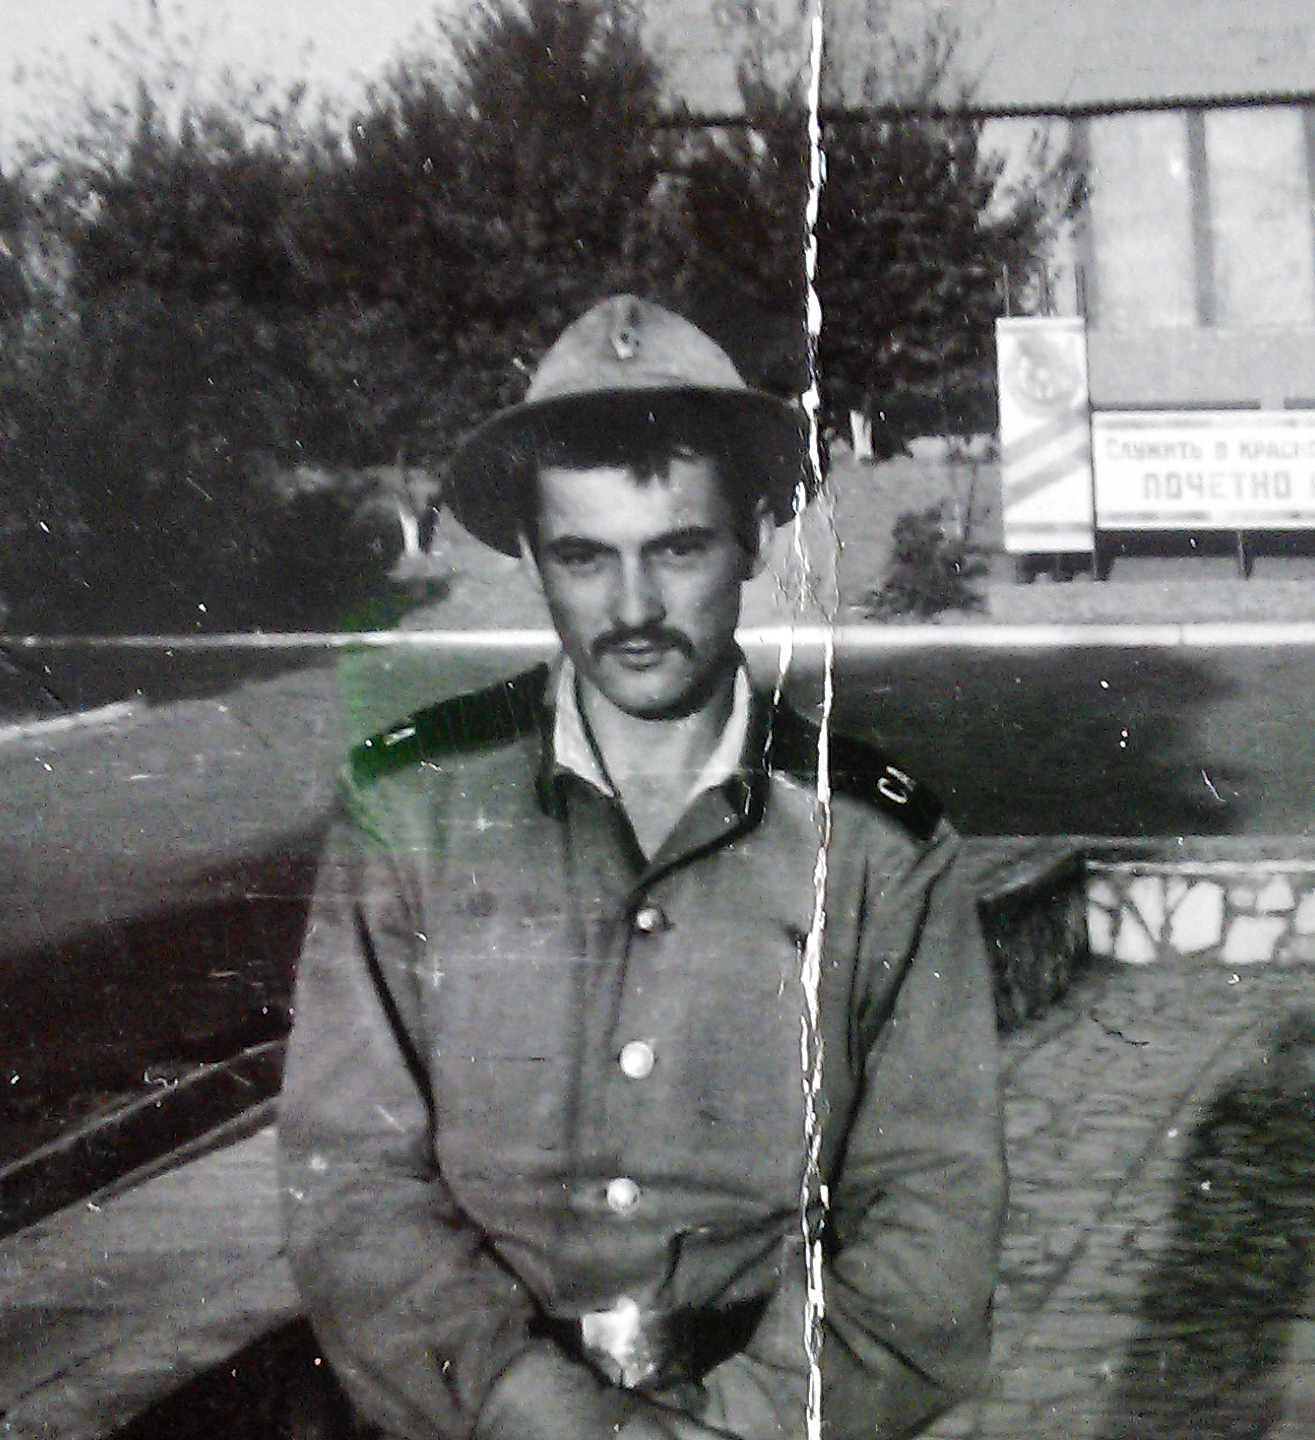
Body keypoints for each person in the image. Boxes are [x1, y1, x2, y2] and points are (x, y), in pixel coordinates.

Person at [278, 295, 1005, 1440]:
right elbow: (350, 1185)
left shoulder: (876, 842)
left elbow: (932, 1211)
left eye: (677, 548)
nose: (632, 609)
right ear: (531, 554)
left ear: (752, 537)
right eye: (583, 556)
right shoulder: (411, 810)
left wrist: (740, 1424)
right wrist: (529, 1404)